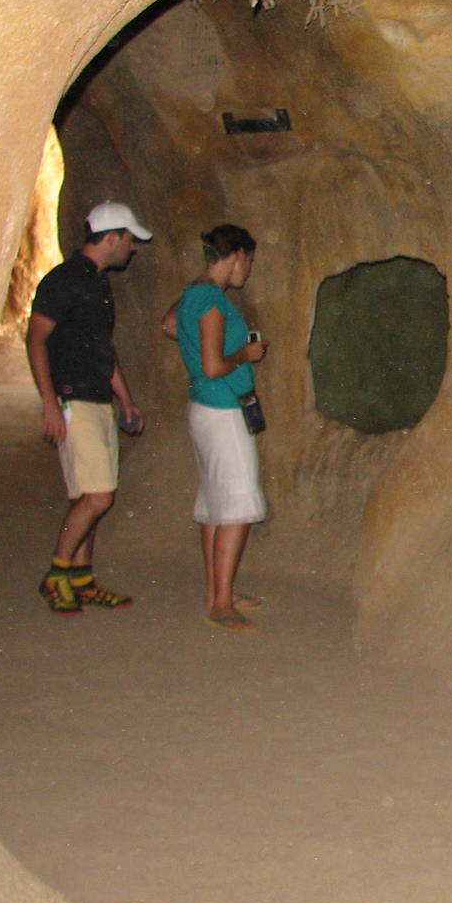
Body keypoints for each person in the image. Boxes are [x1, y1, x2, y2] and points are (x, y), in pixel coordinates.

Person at [26, 200, 151, 615]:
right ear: (111, 238)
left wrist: (126, 398)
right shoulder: (62, 280)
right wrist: (49, 402)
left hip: (97, 398)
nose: (132, 247)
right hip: (72, 397)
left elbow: (101, 348)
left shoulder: (98, 284)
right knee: (99, 495)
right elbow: (36, 338)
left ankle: (81, 580)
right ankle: (57, 574)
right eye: (129, 239)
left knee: (88, 493)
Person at [165, 224, 269, 631]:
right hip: (224, 409)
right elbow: (213, 364)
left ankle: (216, 591)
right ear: (237, 255)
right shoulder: (210, 300)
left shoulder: (195, 293)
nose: (250, 271)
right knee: (237, 507)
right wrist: (247, 353)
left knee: (215, 505)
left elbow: (168, 325)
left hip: (205, 408)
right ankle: (221, 601)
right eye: (250, 262)